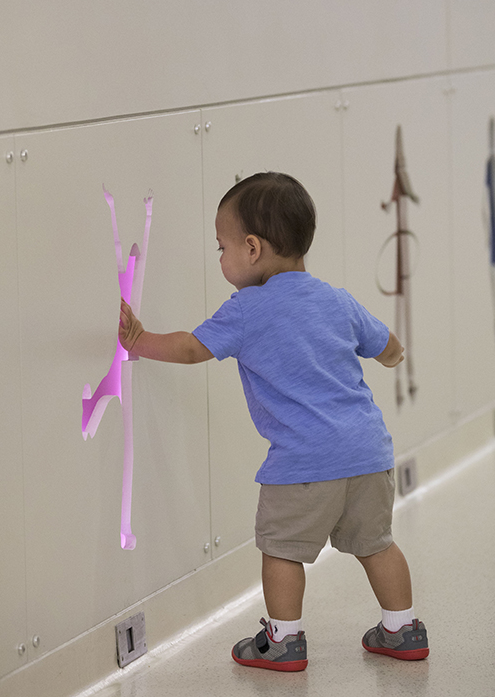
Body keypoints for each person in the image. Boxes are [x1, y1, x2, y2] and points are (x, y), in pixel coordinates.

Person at [118, 172, 429, 671]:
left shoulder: (247, 309)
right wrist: (393, 356)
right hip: (369, 453)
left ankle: (283, 640)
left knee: (282, 550)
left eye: (221, 248)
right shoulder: (337, 299)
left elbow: (191, 348)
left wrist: (139, 341)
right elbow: (389, 347)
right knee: (377, 544)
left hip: (303, 464)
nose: (220, 258)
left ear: (252, 248)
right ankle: (403, 629)